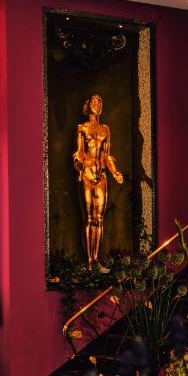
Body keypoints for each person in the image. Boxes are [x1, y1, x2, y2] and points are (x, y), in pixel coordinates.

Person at [73, 94, 125, 271]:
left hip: (101, 175)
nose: (98, 104)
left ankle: (96, 260)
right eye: (94, 101)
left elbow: (106, 155)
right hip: (87, 175)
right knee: (89, 218)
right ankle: (90, 261)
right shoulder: (82, 128)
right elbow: (79, 152)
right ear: (88, 105)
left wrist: (115, 172)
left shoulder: (105, 130)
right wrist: (79, 164)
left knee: (99, 219)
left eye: (100, 101)